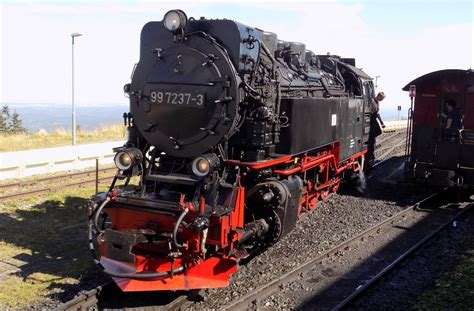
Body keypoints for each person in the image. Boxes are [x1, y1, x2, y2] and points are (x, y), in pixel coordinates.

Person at [366, 91, 385, 163]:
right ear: (379, 96)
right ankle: (370, 155)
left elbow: (377, 113)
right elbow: (372, 112)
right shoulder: (372, 101)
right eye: (382, 98)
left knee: (378, 132)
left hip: (374, 119)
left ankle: (371, 151)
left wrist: (381, 122)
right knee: (371, 139)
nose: (382, 100)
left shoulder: (377, 102)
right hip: (371, 120)